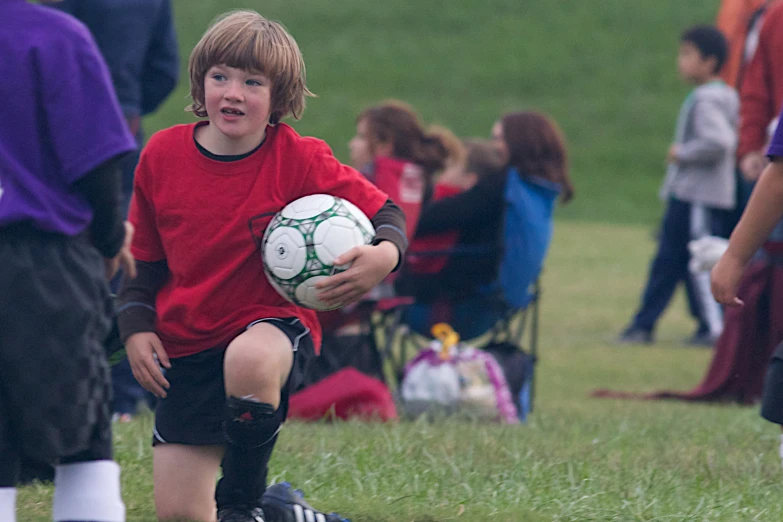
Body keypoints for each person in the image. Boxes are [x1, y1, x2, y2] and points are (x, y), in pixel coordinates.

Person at [116, 10, 407, 522]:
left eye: (253, 82)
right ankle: (281, 512)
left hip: (271, 329)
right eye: (220, 76)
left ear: (279, 97)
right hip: (187, 346)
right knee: (181, 515)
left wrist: (384, 255)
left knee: (248, 359)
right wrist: (136, 328)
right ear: (201, 81)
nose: (233, 93)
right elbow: (144, 264)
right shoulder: (161, 155)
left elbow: (386, 212)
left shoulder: (298, 158)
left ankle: (243, 503)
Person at [0, 1, 137, 521]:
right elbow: (97, 163)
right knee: (84, 428)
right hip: (41, 261)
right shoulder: (57, 37)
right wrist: (107, 240)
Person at [45, 0, 180, 424]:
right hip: (125, 126)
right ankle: (121, 394)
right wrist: (132, 104)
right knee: (126, 250)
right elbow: (165, 67)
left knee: (58, 251)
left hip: (62, 126)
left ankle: (61, 380)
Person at [396, 111, 573, 338]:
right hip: (496, 306)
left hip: (454, 308)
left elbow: (429, 220)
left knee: (366, 289)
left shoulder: (501, 189)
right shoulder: (536, 189)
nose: (494, 146)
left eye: (499, 139)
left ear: (519, 143)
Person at [619, 25, 739, 346]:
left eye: (688, 54)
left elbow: (721, 142)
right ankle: (647, 324)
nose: (680, 61)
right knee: (671, 260)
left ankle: (713, 329)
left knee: (699, 259)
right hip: (688, 195)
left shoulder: (708, 99)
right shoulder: (722, 95)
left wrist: (683, 153)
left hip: (698, 197)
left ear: (710, 62)